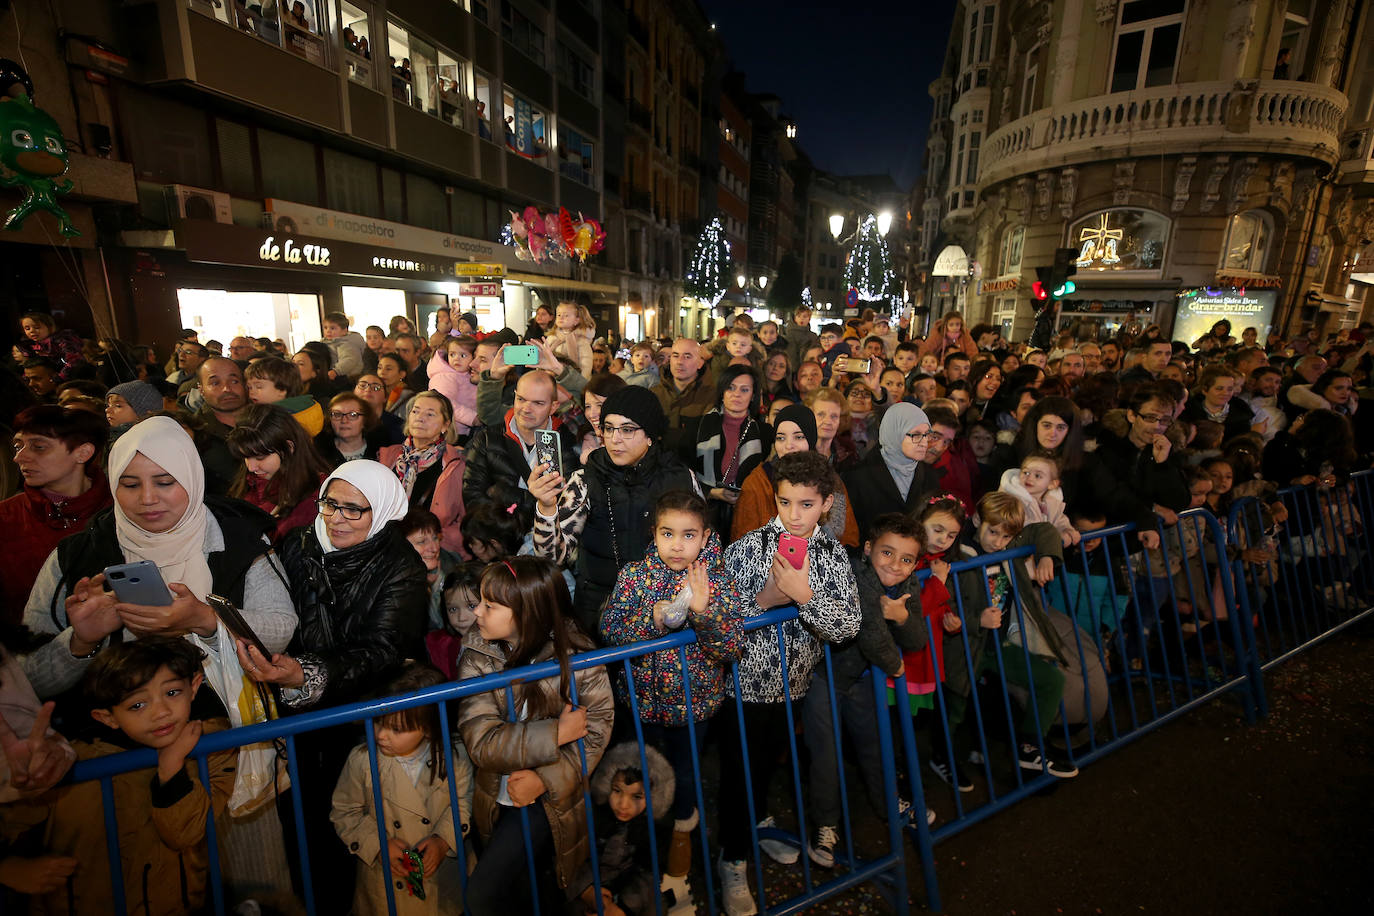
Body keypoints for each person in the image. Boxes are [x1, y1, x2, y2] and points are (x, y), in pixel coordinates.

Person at [237, 459, 428, 911]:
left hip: (362, 717)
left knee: (355, 820)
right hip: (298, 709)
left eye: (353, 510)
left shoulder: (402, 566)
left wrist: (306, 673)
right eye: (329, 503)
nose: (336, 518)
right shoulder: (299, 545)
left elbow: (382, 650)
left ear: (380, 512)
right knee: (303, 821)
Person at [21, 416, 296, 703]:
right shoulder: (77, 555)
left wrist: (205, 619)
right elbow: (26, 680)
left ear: (192, 478)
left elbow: (280, 633)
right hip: (114, 739)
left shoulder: (241, 538)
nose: (148, 498)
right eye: (129, 485)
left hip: (228, 720)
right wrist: (81, 642)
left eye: (165, 482)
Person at [715, 451, 860, 915]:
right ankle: (731, 859)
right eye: (784, 503)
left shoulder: (833, 554)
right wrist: (766, 600)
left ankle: (756, 828)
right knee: (739, 774)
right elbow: (719, 621)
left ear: (827, 503)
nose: (794, 515)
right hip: (742, 689)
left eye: (806, 504)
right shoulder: (746, 547)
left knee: (765, 768)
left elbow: (847, 625)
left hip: (793, 686)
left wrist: (806, 597)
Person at [31, 637, 237, 915]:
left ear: (194, 687)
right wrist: (8, 868)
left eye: (172, 693)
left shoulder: (212, 749)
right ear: (107, 718)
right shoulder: (72, 761)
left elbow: (184, 833)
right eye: (137, 705)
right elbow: (12, 821)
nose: (161, 712)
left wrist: (172, 767)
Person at [457, 556, 614, 916]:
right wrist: (557, 731)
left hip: (551, 800)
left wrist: (544, 780)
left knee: (482, 897)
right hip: (495, 796)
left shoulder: (576, 656)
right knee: (518, 894)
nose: (476, 612)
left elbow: (597, 732)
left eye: (490, 605)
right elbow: (481, 741)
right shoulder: (477, 655)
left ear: (527, 612)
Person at [600, 490, 744, 877]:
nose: (677, 545)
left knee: (684, 774)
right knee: (639, 772)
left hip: (694, 705)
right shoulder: (634, 575)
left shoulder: (716, 579)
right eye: (668, 534)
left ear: (705, 535)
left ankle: (683, 839)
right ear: (654, 533)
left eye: (688, 535)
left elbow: (731, 646)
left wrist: (704, 611)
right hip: (641, 701)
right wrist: (653, 618)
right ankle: (637, 843)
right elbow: (610, 628)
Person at [804, 512, 934, 866]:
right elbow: (870, 634)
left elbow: (917, 638)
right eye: (887, 553)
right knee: (826, 757)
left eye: (907, 559)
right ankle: (825, 826)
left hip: (861, 679)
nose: (895, 565)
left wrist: (902, 617)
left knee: (876, 745)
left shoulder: (907, 585)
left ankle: (888, 802)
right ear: (868, 549)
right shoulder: (856, 575)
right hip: (825, 677)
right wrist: (896, 665)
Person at [530, 386, 701, 635]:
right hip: (600, 609)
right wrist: (546, 508)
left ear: (651, 435)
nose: (614, 438)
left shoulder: (681, 477)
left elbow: (704, 546)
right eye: (608, 428)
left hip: (670, 607)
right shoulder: (584, 479)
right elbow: (552, 558)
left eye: (628, 430)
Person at [940, 492, 1078, 783]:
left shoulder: (1009, 543)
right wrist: (976, 619)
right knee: (956, 706)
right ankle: (942, 757)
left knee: (1051, 680)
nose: (998, 543)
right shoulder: (957, 554)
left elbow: (1043, 529)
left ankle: (1028, 746)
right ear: (977, 520)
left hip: (997, 646)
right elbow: (946, 606)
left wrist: (1047, 557)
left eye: (1006, 537)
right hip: (966, 647)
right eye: (992, 532)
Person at [330, 664, 473, 916]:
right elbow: (344, 813)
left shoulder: (454, 755)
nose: (382, 735)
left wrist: (442, 841)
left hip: (442, 883)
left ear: (427, 728)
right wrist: (378, 845)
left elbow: (462, 804)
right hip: (384, 886)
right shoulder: (362, 760)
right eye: (378, 721)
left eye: (396, 729)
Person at [0, 406, 111, 624]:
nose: (19, 457)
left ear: (83, 452)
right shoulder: (5, 517)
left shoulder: (119, 511)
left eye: (38, 447)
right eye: (18, 446)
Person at [571, 743, 676, 916]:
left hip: (630, 890)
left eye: (637, 796)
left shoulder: (655, 828)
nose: (623, 805)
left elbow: (649, 873)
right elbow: (569, 861)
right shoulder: (592, 815)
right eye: (617, 791)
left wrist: (622, 908)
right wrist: (586, 891)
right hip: (587, 886)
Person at [463, 370, 574, 519]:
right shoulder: (487, 438)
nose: (526, 409)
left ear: (553, 407)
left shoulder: (566, 443)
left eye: (538, 403)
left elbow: (566, 505)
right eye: (521, 399)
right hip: (497, 534)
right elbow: (472, 498)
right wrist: (532, 500)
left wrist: (502, 493)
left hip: (542, 536)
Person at [227, 404, 332, 542]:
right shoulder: (250, 483)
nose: (251, 467)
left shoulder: (318, 494)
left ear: (289, 447)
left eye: (260, 457)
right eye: (245, 457)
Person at [378, 392, 467, 553]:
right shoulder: (389, 456)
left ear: (445, 425)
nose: (420, 418)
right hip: (385, 545)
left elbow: (464, 520)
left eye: (430, 414)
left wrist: (435, 542)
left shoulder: (456, 465)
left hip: (432, 550)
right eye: (415, 411)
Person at [844, 403, 942, 538]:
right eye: (916, 435)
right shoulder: (857, 477)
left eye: (926, 435)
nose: (924, 442)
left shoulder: (929, 475)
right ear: (895, 433)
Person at [691, 365, 768, 533]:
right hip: (705, 515)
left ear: (753, 395)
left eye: (744, 390)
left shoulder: (764, 433)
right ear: (722, 392)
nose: (736, 394)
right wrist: (712, 492)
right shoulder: (700, 426)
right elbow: (684, 474)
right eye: (730, 388)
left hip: (749, 517)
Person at [651, 338, 716, 464]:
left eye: (687, 356)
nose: (680, 362)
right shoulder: (654, 394)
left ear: (700, 363)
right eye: (675, 356)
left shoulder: (712, 396)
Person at [998, 453, 1080, 547]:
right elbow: (1024, 528)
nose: (1029, 478)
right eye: (1026, 472)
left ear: (1052, 484)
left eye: (1037, 476)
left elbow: (1059, 520)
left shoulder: (1051, 503)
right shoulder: (1013, 500)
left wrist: (1066, 529)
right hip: (1013, 554)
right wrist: (1055, 537)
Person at [245, 355, 325, 436]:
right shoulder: (308, 407)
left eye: (259, 387)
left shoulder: (275, 418)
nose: (252, 392)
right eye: (249, 387)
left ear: (282, 390)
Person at [427, 335, 479, 439]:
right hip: (453, 433)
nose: (456, 359)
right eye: (452, 354)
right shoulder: (444, 377)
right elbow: (446, 403)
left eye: (463, 356)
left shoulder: (466, 375)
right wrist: (472, 418)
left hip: (466, 429)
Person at [315, 391, 387, 465]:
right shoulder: (318, 455)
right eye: (337, 414)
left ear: (365, 420)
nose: (344, 420)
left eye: (352, 415)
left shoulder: (383, 453)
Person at [15, 312, 87, 380]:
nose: (32, 331)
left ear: (50, 327)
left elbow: (75, 360)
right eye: (27, 328)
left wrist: (60, 377)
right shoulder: (33, 346)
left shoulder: (62, 340)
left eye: (37, 327)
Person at [544, 300, 597, 378]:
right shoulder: (552, 338)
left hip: (572, 380)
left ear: (576, 320)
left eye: (566, 315)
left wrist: (581, 381)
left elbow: (586, 365)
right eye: (558, 315)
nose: (561, 317)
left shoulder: (581, 341)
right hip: (550, 378)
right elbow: (543, 356)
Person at [353, 372, 406, 444]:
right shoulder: (343, 421)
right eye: (362, 385)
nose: (368, 389)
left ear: (385, 397)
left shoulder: (398, 426)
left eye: (375, 387)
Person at [321, 312, 368, 379]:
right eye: (325, 328)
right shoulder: (326, 342)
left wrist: (336, 371)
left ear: (344, 331)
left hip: (349, 376)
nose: (328, 331)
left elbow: (349, 360)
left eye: (332, 328)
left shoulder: (347, 344)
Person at [377, 353, 415, 419]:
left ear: (402, 374)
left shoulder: (408, 397)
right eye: (379, 368)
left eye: (388, 369)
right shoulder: (375, 392)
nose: (382, 372)